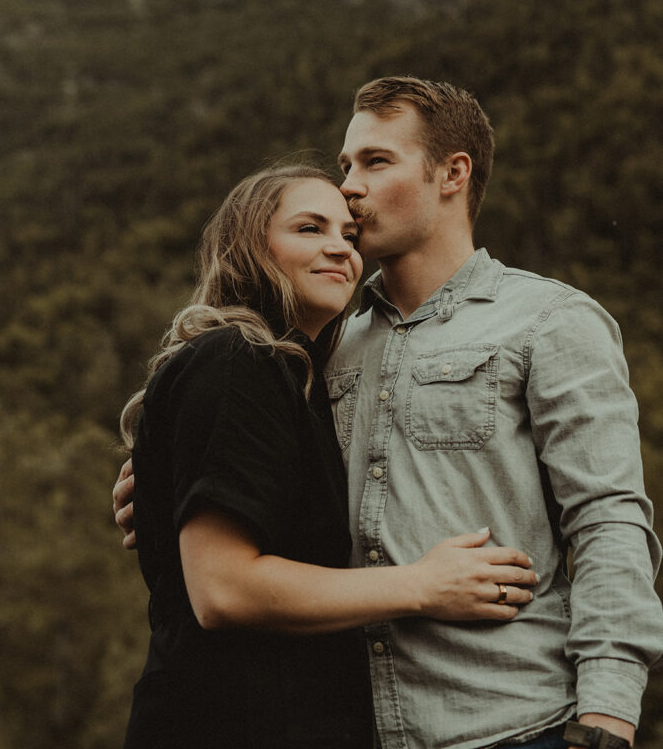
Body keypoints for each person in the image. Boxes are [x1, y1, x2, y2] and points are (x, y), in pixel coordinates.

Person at [115, 79, 663, 749]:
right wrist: (164, 485)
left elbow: (606, 516)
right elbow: (254, 496)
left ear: (451, 174)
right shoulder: (314, 350)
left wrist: (608, 707)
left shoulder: (548, 321)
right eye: (345, 165)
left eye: (375, 162)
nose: (349, 185)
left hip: (513, 724)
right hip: (354, 728)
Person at [118, 162, 538, 749]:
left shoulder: (298, 382)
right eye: (309, 229)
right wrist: (422, 584)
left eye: (348, 235)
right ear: (249, 247)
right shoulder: (238, 361)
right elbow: (224, 590)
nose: (339, 249)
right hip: (227, 723)